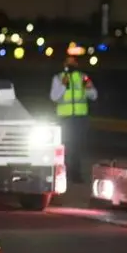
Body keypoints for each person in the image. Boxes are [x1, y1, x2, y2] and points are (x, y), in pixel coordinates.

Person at [49, 55, 97, 183]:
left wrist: (88, 88)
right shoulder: (58, 78)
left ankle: (75, 174)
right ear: (64, 63)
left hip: (80, 118)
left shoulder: (83, 77)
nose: (70, 65)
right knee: (65, 147)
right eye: (68, 62)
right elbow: (54, 97)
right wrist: (63, 85)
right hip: (65, 118)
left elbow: (94, 95)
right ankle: (62, 174)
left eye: (73, 62)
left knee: (78, 146)